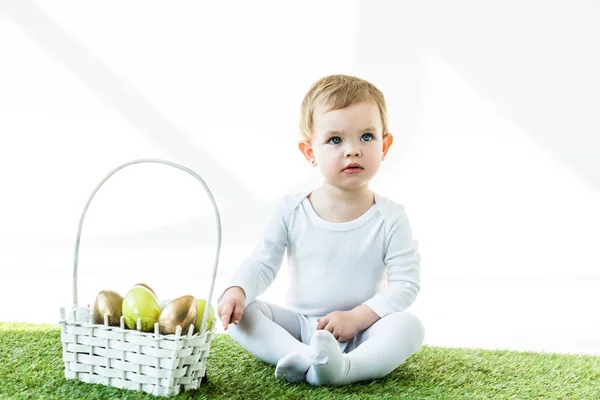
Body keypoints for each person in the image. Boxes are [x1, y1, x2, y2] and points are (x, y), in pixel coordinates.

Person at [217, 74, 424, 386]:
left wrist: (358, 318)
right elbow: (262, 262)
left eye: (366, 137)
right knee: (243, 315)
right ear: (310, 152)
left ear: (385, 145)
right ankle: (301, 355)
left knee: (409, 327)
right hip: (300, 328)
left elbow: (405, 285)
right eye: (335, 140)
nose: (352, 150)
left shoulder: (391, 217)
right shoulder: (292, 209)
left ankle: (346, 368)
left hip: (364, 331)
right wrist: (238, 290)